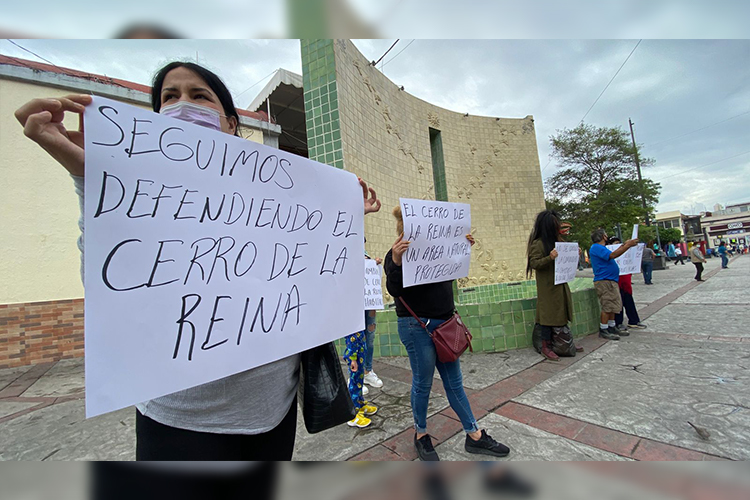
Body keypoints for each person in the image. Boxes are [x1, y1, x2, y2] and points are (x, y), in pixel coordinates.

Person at [14, 61, 383, 460]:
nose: (182, 103)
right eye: (169, 97)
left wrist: (343, 216)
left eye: (199, 95)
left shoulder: (274, 196)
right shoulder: (143, 193)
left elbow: (314, 272)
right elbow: (111, 285)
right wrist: (89, 177)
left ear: (229, 123)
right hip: (176, 418)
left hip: (271, 413)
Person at [385, 206, 510, 461]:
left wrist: (461, 249)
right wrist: (396, 261)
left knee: (454, 382)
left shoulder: (441, 250)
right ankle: (421, 435)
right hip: (416, 326)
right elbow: (394, 289)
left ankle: (474, 435)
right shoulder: (397, 253)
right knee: (423, 383)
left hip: (444, 325)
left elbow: (451, 274)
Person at [526, 210, 583, 361]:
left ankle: (565, 342)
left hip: (560, 284)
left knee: (561, 312)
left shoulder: (559, 242)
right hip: (548, 287)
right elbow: (534, 263)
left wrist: (574, 254)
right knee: (548, 317)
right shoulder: (538, 244)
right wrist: (549, 258)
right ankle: (546, 346)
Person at [589, 229, 638, 340]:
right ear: (603, 236)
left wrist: (626, 244)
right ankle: (604, 329)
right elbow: (613, 255)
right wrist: (627, 246)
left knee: (613, 306)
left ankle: (612, 326)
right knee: (607, 306)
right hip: (604, 281)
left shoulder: (601, 248)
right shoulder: (596, 247)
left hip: (610, 280)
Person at [607, 237, 647, 332]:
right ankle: (619, 323)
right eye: (615, 243)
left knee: (629, 302)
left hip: (626, 283)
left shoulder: (624, 253)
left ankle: (633, 321)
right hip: (617, 282)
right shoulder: (610, 254)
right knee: (618, 305)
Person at [343, 331, 378, 428]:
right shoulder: (350, 323)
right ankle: (353, 414)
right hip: (354, 356)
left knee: (359, 381)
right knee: (354, 382)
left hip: (360, 353)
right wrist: (353, 359)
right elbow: (350, 341)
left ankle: (360, 404)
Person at [363, 250, 384, 390]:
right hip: (352, 306)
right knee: (355, 342)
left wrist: (373, 264)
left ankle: (367, 371)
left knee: (369, 340)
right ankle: (355, 375)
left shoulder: (366, 255)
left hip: (369, 306)